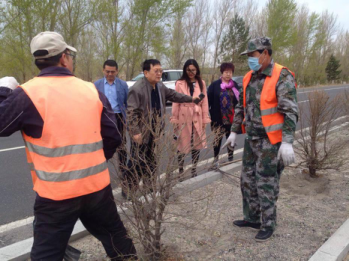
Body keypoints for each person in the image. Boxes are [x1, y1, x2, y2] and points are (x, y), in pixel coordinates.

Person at [0, 31, 137, 260]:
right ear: (64, 58)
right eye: (70, 56)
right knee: (118, 242)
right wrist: (93, 161)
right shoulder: (91, 90)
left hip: (55, 195)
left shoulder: (27, 94)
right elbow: (113, 135)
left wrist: (4, 90)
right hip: (96, 189)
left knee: (47, 254)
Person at [224, 37, 298, 242]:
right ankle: (252, 218)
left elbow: (290, 111)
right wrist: (233, 131)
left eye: (252, 55)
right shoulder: (248, 77)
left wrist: (287, 141)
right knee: (247, 180)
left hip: (271, 141)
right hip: (252, 139)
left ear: (265, 53)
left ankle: (268, 223)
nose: (250, 59)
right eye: (248, 56)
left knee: (266, 182)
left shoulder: (281, 76)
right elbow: (241, 106)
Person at [125, 59, 201, 196]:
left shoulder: (160, 86)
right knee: (136, 163)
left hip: (155, 133)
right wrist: (135, 132)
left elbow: (174, 95)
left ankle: (149, 189)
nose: (159, 73)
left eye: (161, 70)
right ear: (146, 72)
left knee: (151, 162)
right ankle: (129, 191)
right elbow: (131, 113)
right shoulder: (137, 89)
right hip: (141, 134)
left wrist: (191, 99)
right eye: (156, 71)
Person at [171, 59, 211, 179]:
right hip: (183, 115)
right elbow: (176, 101)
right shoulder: (180, 83)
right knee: (181, 144)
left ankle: (194, 169)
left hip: (197, 116)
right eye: (188, 70)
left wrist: (205, 119)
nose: (191, 72)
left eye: (193, 70)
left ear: (197, 70)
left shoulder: (201, 83)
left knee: (196, 144)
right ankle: (181, 170)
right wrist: (175, 119)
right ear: (185, 70)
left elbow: (205, 103)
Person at [94, 60, 128, 176]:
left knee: (121, 146)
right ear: (103, 70)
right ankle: (101, 171)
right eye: (107, 71)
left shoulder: (122, 85)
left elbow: (127, 103)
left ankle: (124, 173)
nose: (110, 74)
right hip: (102, 118)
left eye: (112, 72)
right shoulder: (96, 85)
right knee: (102, 145)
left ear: (117, 71)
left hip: (118, 118)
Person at [207, 62, 240, 168]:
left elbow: (239, 101)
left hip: (231, 119)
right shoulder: (214, 85)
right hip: (217, 118)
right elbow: (208, 100)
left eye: (230, 72)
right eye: (226, 72)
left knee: (231, 139)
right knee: (217, 140)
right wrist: (208, 114)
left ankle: (230, 158)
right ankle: (215, 159)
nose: (228, 74)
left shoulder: (235, 85)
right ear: (222, 72)